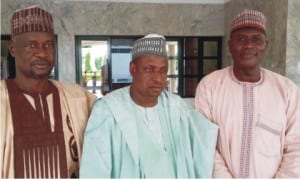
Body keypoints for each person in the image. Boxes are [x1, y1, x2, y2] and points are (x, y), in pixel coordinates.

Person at [80, 34, 218, 178]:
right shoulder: (108, 110)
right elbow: (94, 170)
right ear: (132, 69)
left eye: (163, 71)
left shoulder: (177, 108)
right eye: (149, 69)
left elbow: (204, 145)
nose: (158, 78)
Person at [195, 9, 300, 178]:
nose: (249, 45)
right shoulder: (210, 86)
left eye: (256, 39)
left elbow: (296, 147)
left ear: (266, 44)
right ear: (230, 45)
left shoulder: (287, 90)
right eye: (241, 39)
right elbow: (204, 144)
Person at [0, 5, 96, 178]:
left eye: (48, 45)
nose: (42, 53)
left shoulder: (77, 98)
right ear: (13, 49)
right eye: (31, 45)